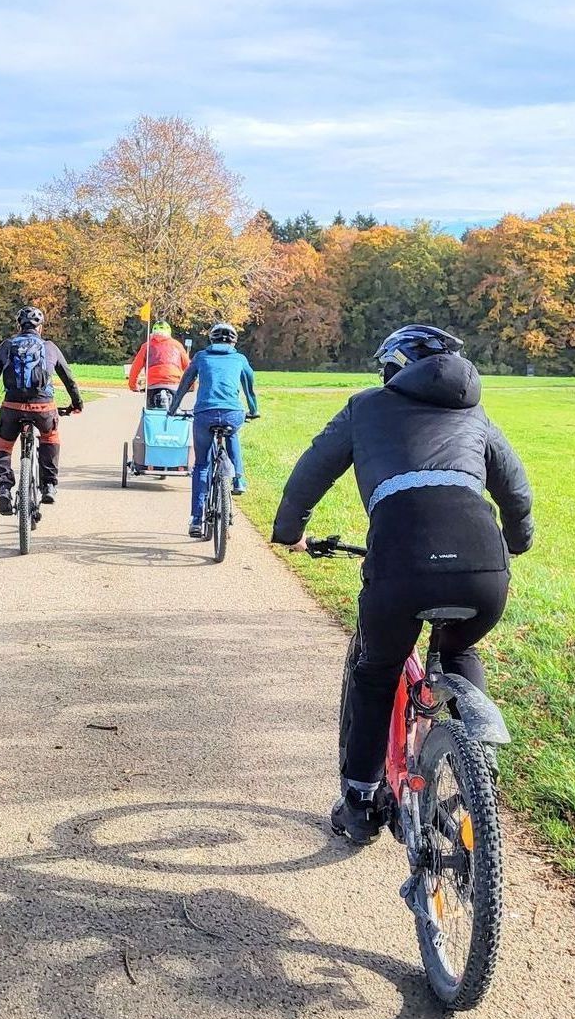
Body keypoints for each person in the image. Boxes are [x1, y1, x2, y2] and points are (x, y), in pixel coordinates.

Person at [271, 324, 534, 845]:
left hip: (401, 562)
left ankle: (361, 804)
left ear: (393, 367)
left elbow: (310, 473)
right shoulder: (474, 413)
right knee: (460, 653)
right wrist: (517, 543)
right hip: (484, 568)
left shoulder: (366, 407)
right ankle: (476, 783)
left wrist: (289, 534)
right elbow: (517, 491)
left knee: (377, 672)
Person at [0, 307, 83, 514]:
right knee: (50, 438)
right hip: (43, 408)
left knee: (4, 446)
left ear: (19, 326)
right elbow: (68, 378)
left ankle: (4, 489)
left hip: (12, 408)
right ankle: (49, 486)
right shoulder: (49, 347)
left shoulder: (7, 346)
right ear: (40, 327)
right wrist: (76, 403)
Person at [168, 322, 259, 537]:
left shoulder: (201, 357)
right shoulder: (240, 359)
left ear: (212, 340)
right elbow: (250, 388)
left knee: (201, 464)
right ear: (234, 341)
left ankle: (197, 520)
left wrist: (173, 408)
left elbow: (184, 383)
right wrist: (254, 410)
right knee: (233, 434)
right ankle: (238, 479)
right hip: (232, 413)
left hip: (204, 414)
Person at [126, 321, 191, 409]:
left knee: (149, 413)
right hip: (173, 383)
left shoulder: (147, 346)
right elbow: (189, 367)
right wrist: (191, 385)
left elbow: (136, 367)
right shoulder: (177, 345)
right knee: (175, 412)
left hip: (153, 383)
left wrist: (133, 385)